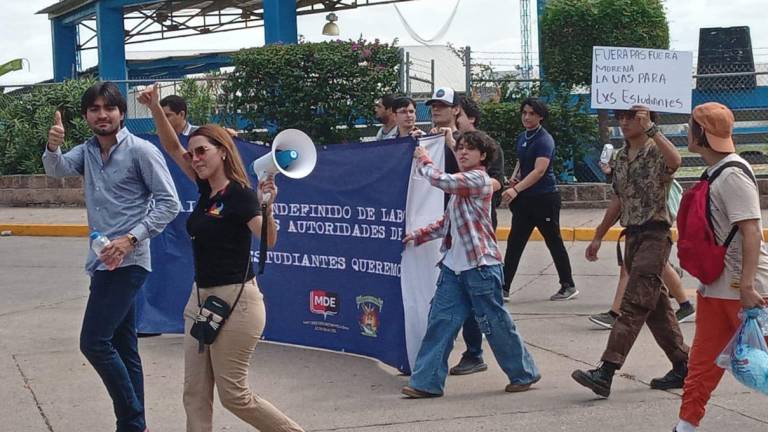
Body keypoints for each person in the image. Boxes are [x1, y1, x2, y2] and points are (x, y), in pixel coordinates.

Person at [139, 84, 304, 432]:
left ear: (223, 152)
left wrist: (268, 205)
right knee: (195, 393)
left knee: (234, 396)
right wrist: (154, 106)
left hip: (237, 301)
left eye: (202, 152)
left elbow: (268, 240)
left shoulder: (242, 196)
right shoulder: (205, 190)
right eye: (194, 153)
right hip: (200, 299)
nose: (195, 158)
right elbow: (171, 145)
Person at [43, 81, 180, 432]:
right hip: (101, 262)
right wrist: (52, 147)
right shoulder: (87, 151)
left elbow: (169, 203)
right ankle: (136, 425)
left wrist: (130, 239)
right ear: (87, 116)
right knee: (124, 346)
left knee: (94, 342)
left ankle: (132, 422)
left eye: (109, 108)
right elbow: (56, 170)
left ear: (121, 113)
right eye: (94, 109)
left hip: (129, 262)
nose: (102, 115)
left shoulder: (141, 151)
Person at [401, 130, 540, 398]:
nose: (463, 152)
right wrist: (418, 236)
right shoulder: (462, 186)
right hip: (454, 268)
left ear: (483, 156)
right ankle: (426, 382)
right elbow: (446, 224)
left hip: (481, 268)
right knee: (440, 322)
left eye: (470, 149)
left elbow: (441, 180)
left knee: (496, 324)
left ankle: (524, 373)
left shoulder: (479, 179)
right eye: (460, 148)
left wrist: (424, 158)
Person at [572, 106, 689, 398]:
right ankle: (683, 363)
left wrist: (651, 128)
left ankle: (606, 370)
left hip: (655, 234)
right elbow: (618, 199)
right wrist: (598, 235)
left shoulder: (656, 148)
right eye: (620, 117)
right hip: (633, 237)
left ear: (646, 118)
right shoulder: (622, 157)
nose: (623, 122)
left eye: (630, 117)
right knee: (657, 309)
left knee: (634, 303)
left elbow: (677, 161)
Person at [673, 103, 768, 432]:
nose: (686, 131)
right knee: (701, 365)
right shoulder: (715, 172)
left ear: (701, 134)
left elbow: (752, 230)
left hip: (748, 292)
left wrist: (746, 287)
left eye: (690, 126)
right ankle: (685, 426)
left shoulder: (732, 174)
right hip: (715, 289)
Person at [588, 154, 695, 329]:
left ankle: (616, 313)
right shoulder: (630, 154)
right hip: (641, 225)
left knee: (629, 269)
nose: (624, 125)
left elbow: (621, 199)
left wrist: (599, 235)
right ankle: (685, 306)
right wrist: (612, 173)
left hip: (650, 225)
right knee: (661, 266)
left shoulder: (650, 152)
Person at [449, 96, 507, 376]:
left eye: (457, 115)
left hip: (476, 244)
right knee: (443, 315)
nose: (452, 119)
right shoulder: (450, 145)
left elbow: (494, 181)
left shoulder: (479, 151)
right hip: (453, 245)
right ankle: (426, 371)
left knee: (488, 314)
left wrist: (475, 186)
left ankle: (477, 354)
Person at [500, 97, 577, 301]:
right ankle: (504, 287)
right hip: (525, 201)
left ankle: (568, 285)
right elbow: (522, 162)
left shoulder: (544, 139)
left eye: (531, 113)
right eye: (524, 112)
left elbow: (539, 170)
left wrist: (516, 191)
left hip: (544, 199)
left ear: (540, 116)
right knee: (515, 242)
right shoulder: (523, 137)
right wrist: (515, 178)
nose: (526, 117)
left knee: (553, 241)